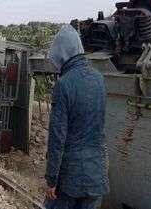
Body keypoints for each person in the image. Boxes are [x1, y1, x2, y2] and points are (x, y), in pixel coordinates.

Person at [44, 24, 108, 209]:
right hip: (96, 175)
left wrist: (51, 179)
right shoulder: (99, 79)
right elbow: (100, 129)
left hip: (69, 181)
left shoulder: (63, 85)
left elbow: (58, 137)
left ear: (61, 53)